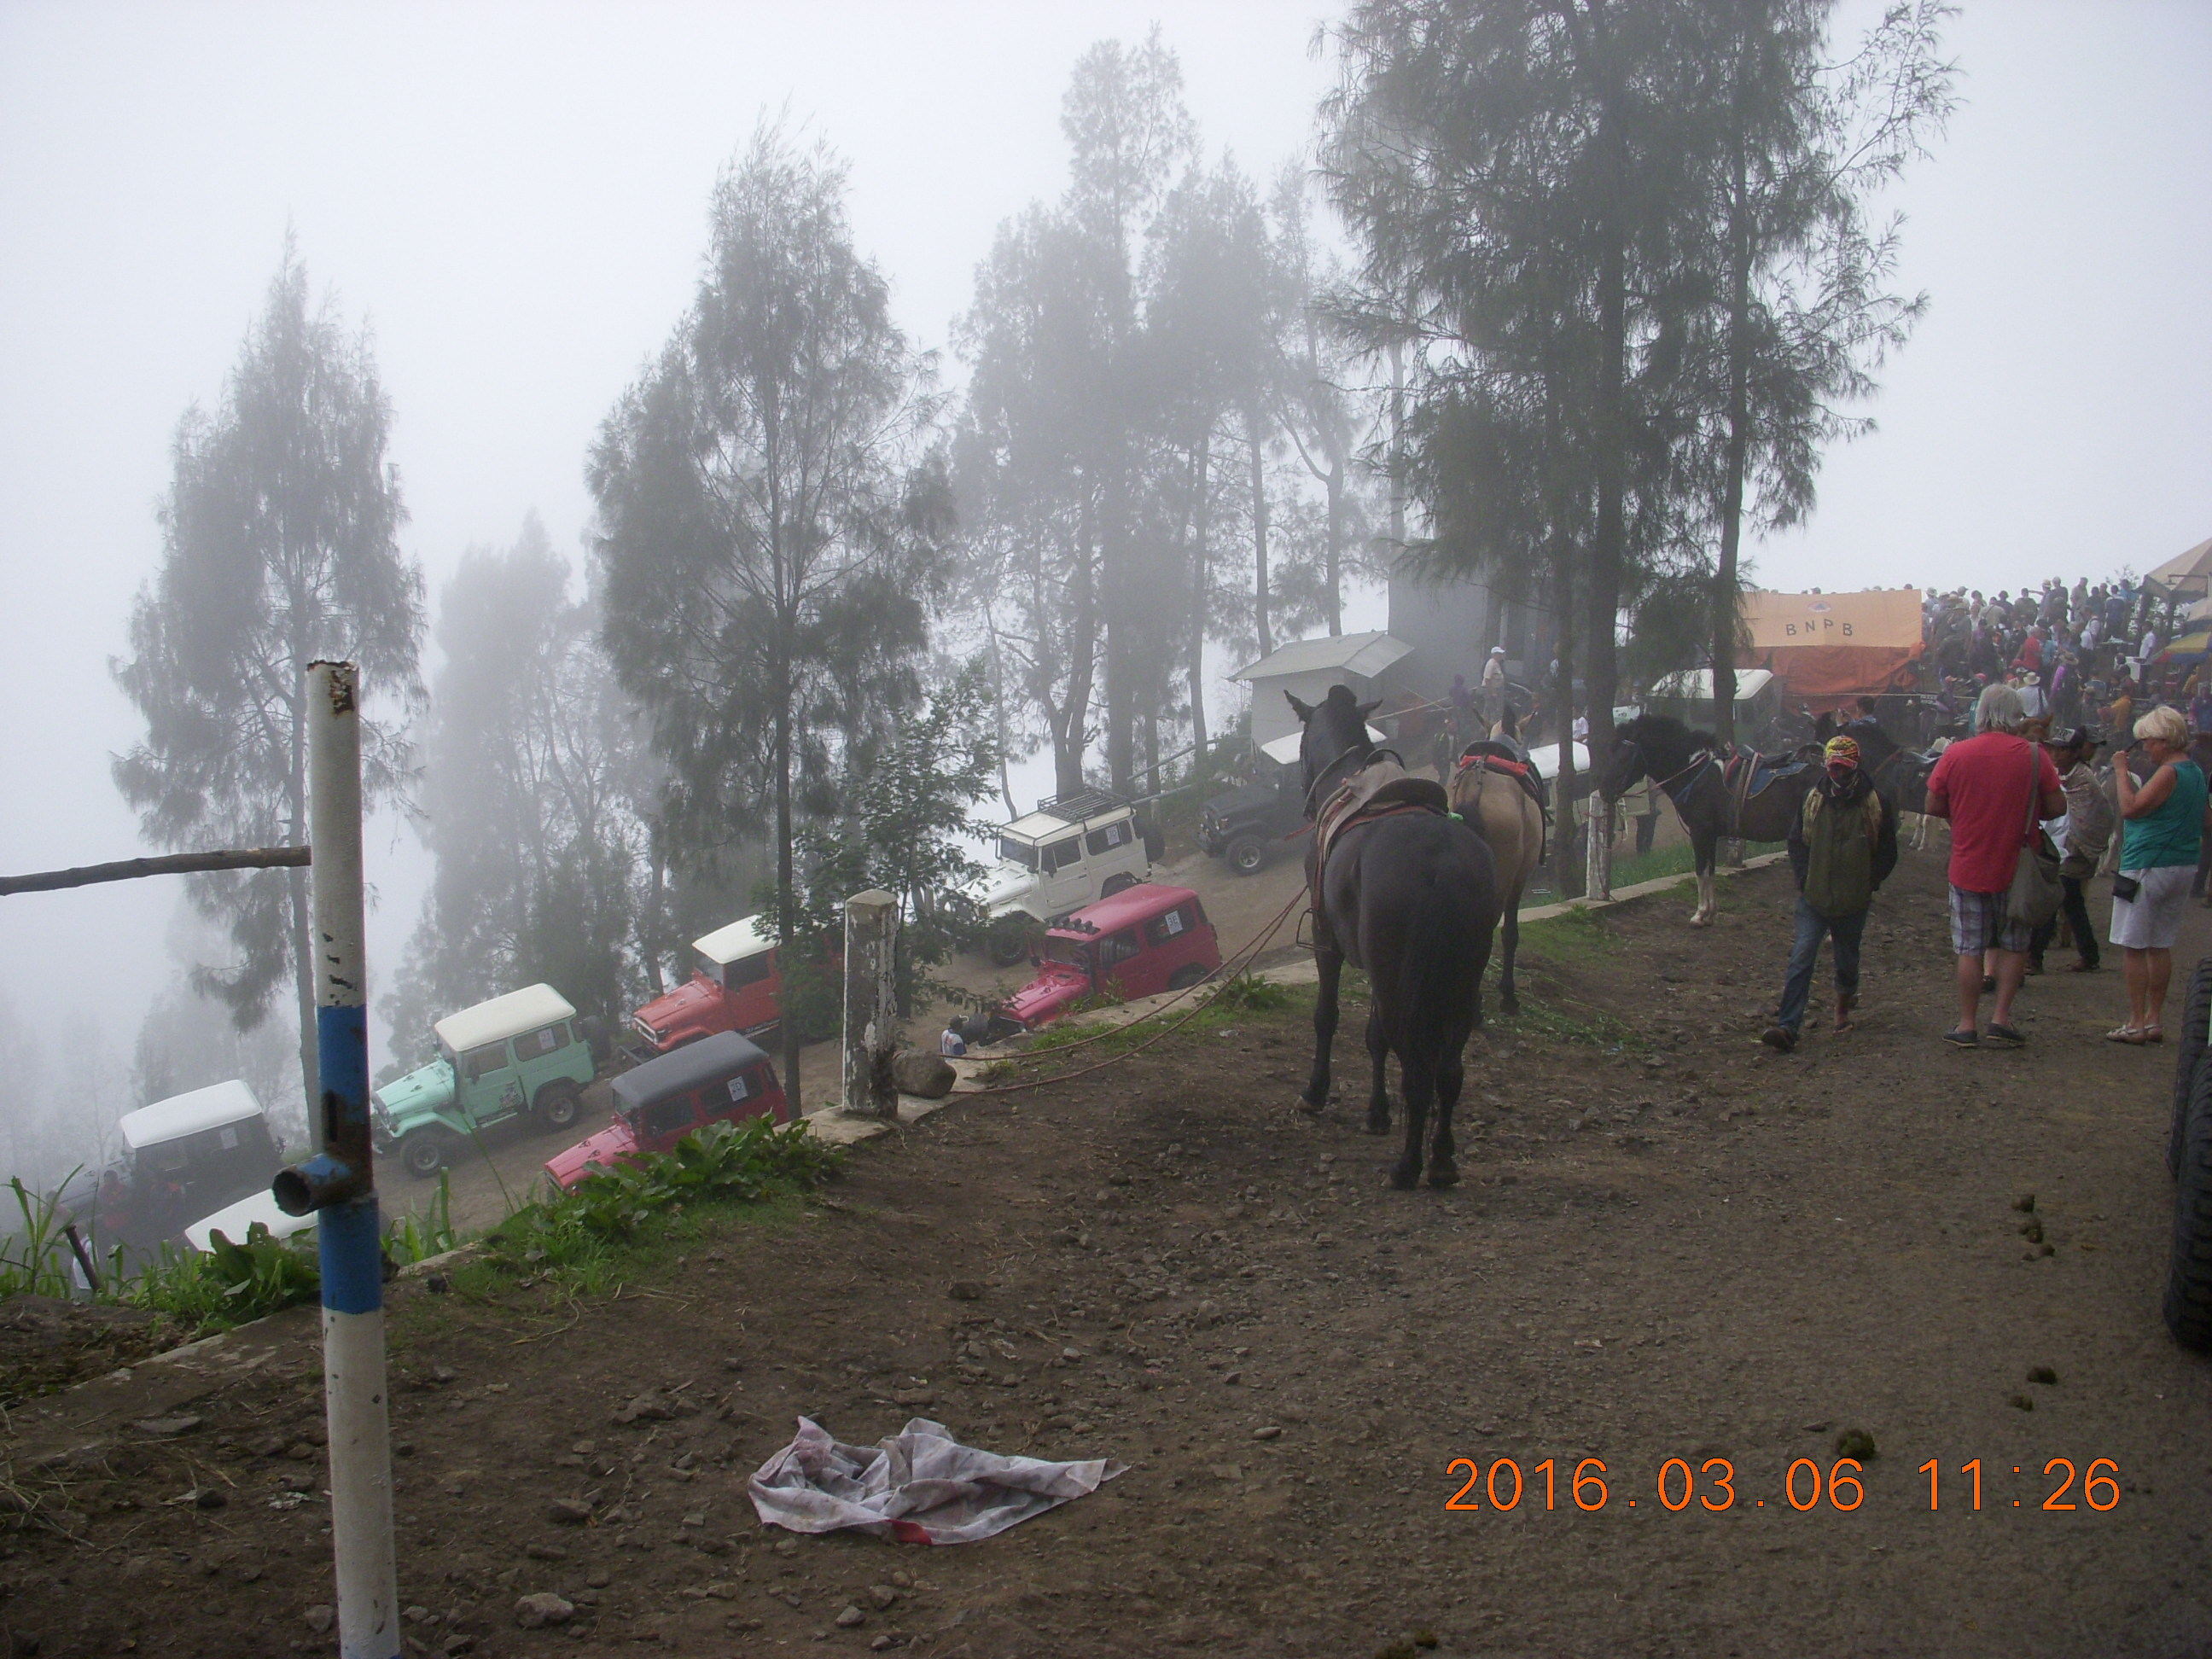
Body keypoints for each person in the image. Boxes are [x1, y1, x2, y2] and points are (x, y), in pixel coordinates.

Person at [1924, 683, 2065, 1048]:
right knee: (2015, 945)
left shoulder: (1956, 753)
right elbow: (2057, 807)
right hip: (2018, 867)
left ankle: (1967, 1023)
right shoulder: (2034, 756)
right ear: (2016, 714)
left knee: (1969, 949)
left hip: (1968, 862)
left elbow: (1933, 804)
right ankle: (2001, 1019)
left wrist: (1963, 815)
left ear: (1981, 713)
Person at [1761, 736, 1897, 1053]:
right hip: (1814, 898)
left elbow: (1888, 852)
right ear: (1826, 767)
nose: (1838, 774)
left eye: (1844, 768)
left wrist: (1868, 883)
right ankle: (1787, 1026)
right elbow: (1796, 842)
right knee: (1801, 958)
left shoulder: (1876, 803)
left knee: (1846, 961)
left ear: (1855, 766)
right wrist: (1804, 879)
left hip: (1853, 900)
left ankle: (1841, 1013)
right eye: (1834, 768)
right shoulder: (1812, 800)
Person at [2107, 703, 2211, 1044]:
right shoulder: (2195, 773)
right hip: (2182, 863)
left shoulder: (2168, 773)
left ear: (2164, 740)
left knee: (2134, 945)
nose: (2145, 749)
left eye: (2147, 742)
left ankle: (2136, 1021)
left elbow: (2130, 808)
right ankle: (2153, 1018)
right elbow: (2206, 818)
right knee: (2160, 944)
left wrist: (2121, 771)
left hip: (2147, 862)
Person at [2029, 728, 2110, 974]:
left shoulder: (2084, 780)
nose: (2056, 754)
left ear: (2075, 752)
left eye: (2062, 749)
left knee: (2054, 899)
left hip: (2076, 848)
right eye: (2053, 748)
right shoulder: (2057, 775)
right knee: (2072, 902)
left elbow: (2092, 817)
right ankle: (2089, 954)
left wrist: (2075, 845)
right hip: (2060, 846)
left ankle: (2035, 956)